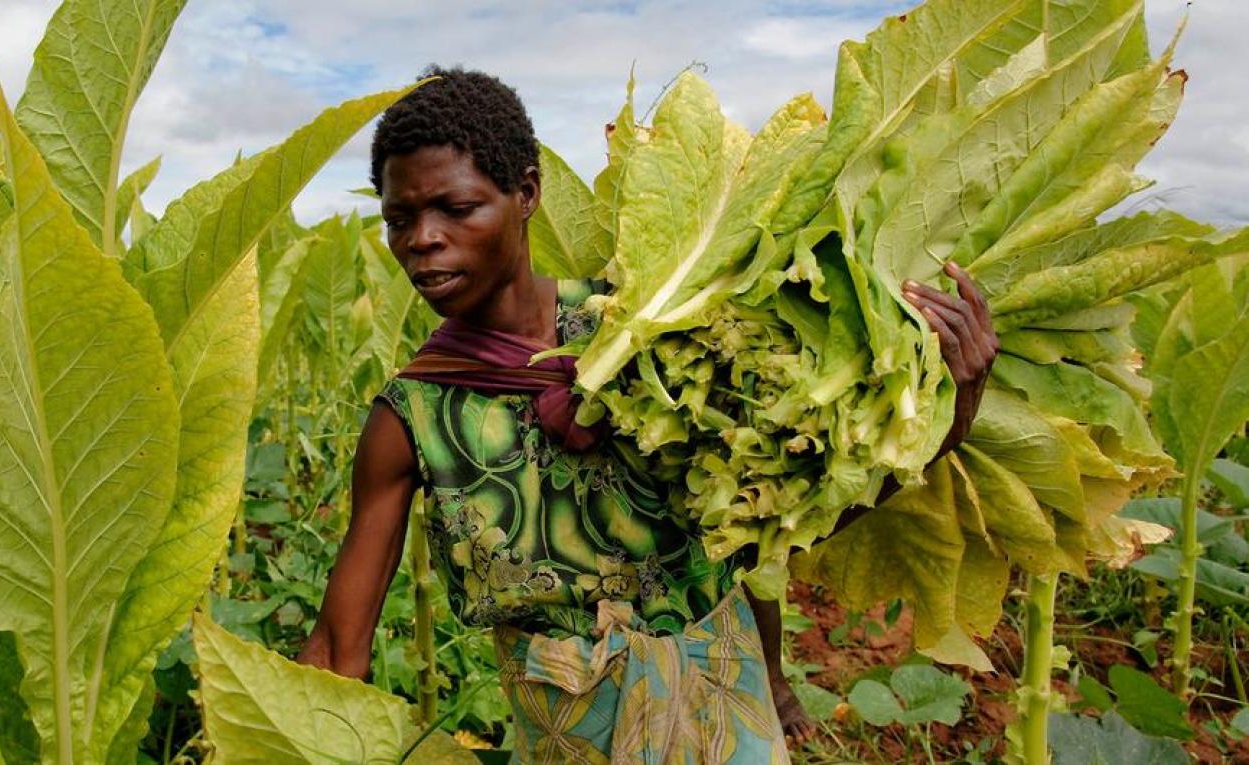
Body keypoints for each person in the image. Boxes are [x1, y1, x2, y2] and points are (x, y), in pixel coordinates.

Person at [295, 66, 998, 764]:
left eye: (455, 207)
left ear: (527, 193)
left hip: (730, 721)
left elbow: (782, 521)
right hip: (577, 743)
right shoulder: (412, 415)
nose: (422, 238)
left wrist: (953, 404)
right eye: (399, 218)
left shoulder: (651, 332)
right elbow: (336, 648)